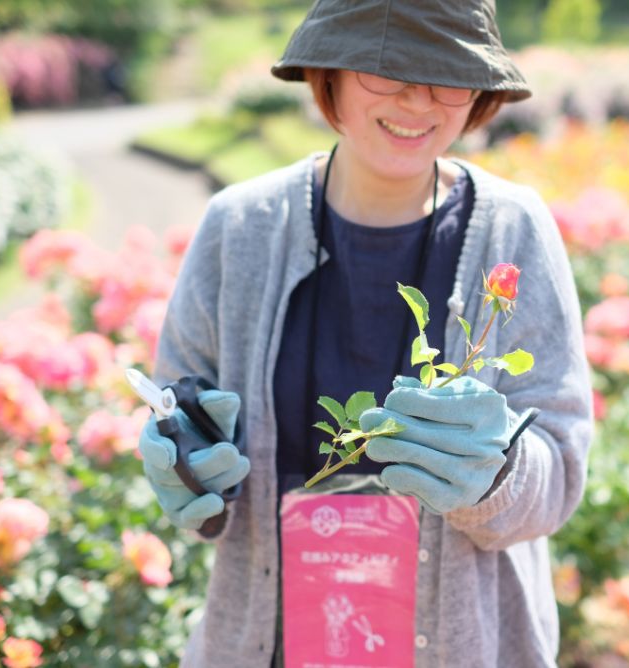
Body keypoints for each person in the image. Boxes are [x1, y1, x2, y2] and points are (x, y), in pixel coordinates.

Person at [137, 1, 592, 666]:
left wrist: (500, 473)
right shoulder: (239, 228)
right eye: (386, 72)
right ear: (332, 76)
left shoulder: (513, 229)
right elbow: (178, 411)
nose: (419, 102)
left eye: (447, 76)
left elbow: (562, 465)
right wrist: (187, 463)